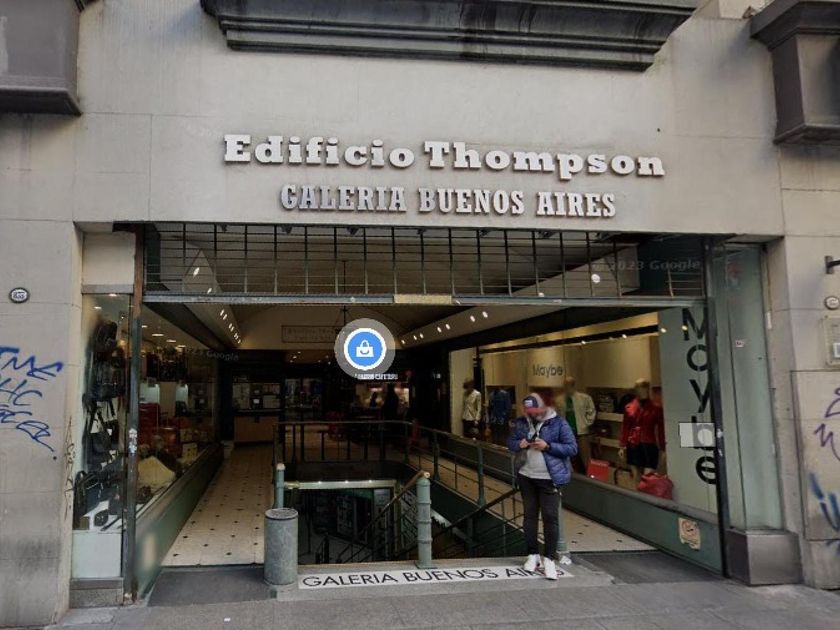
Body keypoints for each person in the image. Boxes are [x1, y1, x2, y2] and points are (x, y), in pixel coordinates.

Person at [507, 393, 578, 580]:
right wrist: (519, 444)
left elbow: (572, 448)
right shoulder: (522, 423)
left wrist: (548, 446)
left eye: (533, 410)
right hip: (526, 475)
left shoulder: (558, 423)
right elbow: (511, 442)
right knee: (529, 516)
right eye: (527, 411)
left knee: (550, 517)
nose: (530, 414)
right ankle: (532, 555)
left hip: (549, 478)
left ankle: (549, 558)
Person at [619, 379, 665, 486]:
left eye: (645, 388)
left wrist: (663, 447)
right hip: (633, 444)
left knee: (648, 477)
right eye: (640, 389)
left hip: (649, 444)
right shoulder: (629, 407)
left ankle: (646, 494)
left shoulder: (656, 408)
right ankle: (636, 494)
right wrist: (622, 445)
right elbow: (625, 427)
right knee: (636, 476)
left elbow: (661, 429)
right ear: (636, 390)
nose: (643, 391)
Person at [562, 376, 596, 472]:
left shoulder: (584, 398)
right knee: (570, 459)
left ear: (573, 385)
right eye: (565, 385)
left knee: (586, 457)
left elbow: (591, 411)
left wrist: (585, 424)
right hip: (567, 434)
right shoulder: (561, 400)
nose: (567, 387)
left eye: (569, 385)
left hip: (581, 433)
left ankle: (589, 476)